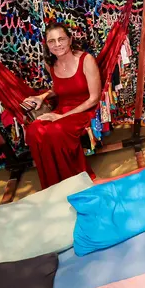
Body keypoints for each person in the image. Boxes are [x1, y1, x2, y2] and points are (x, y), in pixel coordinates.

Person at [21, 23, 101, 189]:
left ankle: (74, 181)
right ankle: (52, 183)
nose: (57, 44)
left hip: (84, 110)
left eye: (61, 39)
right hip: (61, 109)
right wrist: (41, 97)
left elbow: (94, 98)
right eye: (52, 41)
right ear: (47, 45)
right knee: (34, 130)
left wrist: (61, 117)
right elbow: (60, 89)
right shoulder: (50, 64)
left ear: (70, 40)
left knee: (55, 131)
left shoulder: (86, 60)